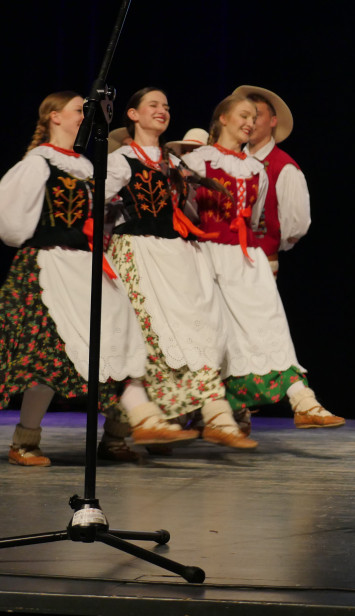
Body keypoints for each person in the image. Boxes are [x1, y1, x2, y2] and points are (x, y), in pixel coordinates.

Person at [0, 91, 195, 466]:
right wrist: (49, 240)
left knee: (123, 334)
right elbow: (10, 221)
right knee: (46, 355)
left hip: (87, 264)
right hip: (49, 265)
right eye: (78, 110)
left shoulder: (86, 168)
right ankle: (25, 441)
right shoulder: (38, 164)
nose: (85, 116)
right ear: (54, 116)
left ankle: (144, 419)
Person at [106, 88, 257, 450]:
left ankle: (213, 418)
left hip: (173, 256)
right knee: (149, 340)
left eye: (166, 106)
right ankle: (132, 428)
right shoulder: (121, 160)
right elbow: (97, 209)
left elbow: (189, 214)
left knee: (191, 336)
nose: (162, 110)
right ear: (133, 114)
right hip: (135, 253)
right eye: (153, 105)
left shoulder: (175, 164)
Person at [182, 92, 344, 429]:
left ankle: (303, 401)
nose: (249, 122)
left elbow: (256, 218)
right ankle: (217, 414)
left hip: (247, 257)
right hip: (208, 256)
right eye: (243, 115)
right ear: (223, 118)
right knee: (217, 337)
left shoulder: (257, 168)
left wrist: (256, 251)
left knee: (271, 327)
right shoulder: (198, 161)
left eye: (253, 118)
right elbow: (188, 213)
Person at [240, 85, 311, 276]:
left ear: (272, 121)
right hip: (228, 261)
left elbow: (296, 227)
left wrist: (269, 243)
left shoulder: (283, 167)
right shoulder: (232, 161)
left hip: (261, 263)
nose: (251, 121)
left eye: (257, 115)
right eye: (246, 115)